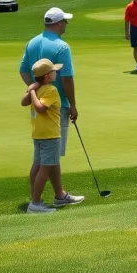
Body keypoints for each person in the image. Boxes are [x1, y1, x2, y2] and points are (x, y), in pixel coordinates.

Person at [22, 59, 85, 213]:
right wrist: (31, 91)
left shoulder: (38, 89)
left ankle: (44, 199)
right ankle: (35, 203)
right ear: (47, 77)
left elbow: (24, 102)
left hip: (39, 134)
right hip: (49, 135)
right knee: (44, 169)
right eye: (53, 71)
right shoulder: (50, 90)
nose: (56, 72)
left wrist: (32, 90)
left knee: (38, 166)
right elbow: (40, 108)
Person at [20, 8, 78, 165]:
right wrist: (72, 105)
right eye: (65, 21)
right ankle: (49, 190)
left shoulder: (32, 42)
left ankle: (58, 190)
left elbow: (23, 71)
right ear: (59, 24)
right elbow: (66, 78)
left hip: (38, 104)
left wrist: (37, 88)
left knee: (41, 155)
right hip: (56, 105)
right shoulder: (62, 47)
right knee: (51, 155)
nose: (66, 24)